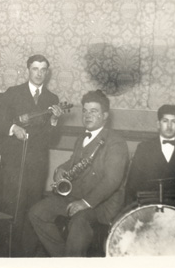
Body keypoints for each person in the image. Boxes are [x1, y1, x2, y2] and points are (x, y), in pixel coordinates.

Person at [28, 90, 129, 257]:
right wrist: (60, 169)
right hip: (76, 197)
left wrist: (85, 203)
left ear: (105, 116)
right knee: (37, 213)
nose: (87, 115)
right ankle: (65, 259)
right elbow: (72, 162)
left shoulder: (116, 142)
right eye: (85, 111)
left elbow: (112, 180)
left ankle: (71, 262)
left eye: (93, 111)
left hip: (101, 205)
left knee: (79, 221)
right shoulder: (81, 138)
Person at [0, 54, 64, 257]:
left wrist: (54, 121)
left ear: (47, 73)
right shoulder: (13, 93)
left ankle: (25, 257)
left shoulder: (52, 100)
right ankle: (3, 255)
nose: (39, 73)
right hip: (14, 163)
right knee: (10, 207)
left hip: (37, 165)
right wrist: (13, 128)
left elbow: (53, 140)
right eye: (35, 69)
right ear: (28, 70)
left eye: (43, 70)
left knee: (32, 210)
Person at [124, 104, 175, 214]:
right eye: (165, 121)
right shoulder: (144, 148)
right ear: (158, 124)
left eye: (174, 122)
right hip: (149, 207)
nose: (169, 126)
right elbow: (132, 183)